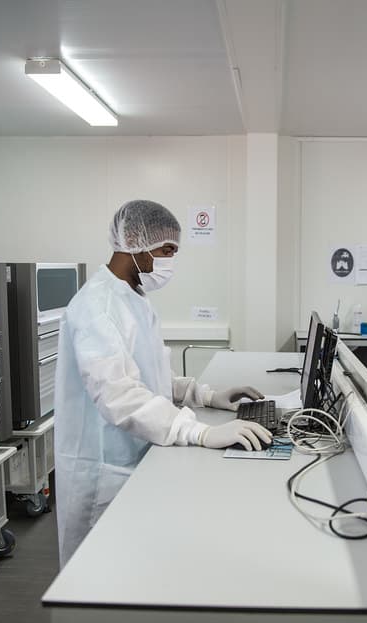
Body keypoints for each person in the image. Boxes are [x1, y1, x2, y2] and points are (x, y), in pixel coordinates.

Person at [54, 199, 273, 566]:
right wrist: (198, 432)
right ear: (135, 241)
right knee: (97, 578)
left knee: (133, 567)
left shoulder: (135, 298)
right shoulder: (97, 307)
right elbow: (119, 395)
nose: (171, 261)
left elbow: (150, 372)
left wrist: (204, 394)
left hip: (137, 454)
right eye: (167, 250)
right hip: (103, 468)